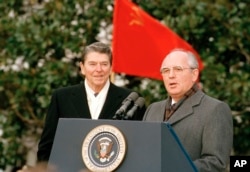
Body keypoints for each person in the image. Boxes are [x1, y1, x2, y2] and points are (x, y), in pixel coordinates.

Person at [37, 42, 145, 162]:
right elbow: (46, 148)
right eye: (92, 64)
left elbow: (138, 148)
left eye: (104, 64)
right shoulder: (61, 97)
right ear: (82, 68)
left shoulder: (130, 99)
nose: (98, 69)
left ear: (111, 68)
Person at [143, 49, 233, 172]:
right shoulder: (152, 109)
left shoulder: (215, 109)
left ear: (194, 74)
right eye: (166, 70)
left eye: (178, 69)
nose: (171, 75)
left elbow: (216, 162)